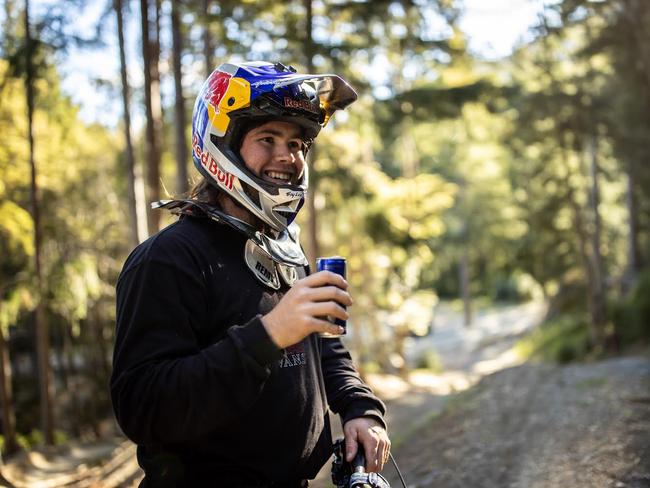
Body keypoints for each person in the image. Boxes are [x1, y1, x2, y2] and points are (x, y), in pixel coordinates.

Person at [110, 60, 390, 487]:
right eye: (267, 138)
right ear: (222, 144)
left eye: (298, 143)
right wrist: (269, 334)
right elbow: (143, 407)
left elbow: (323, 348)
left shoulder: (284, 248)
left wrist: (358, 408)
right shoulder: (168, 259)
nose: (287, 155)